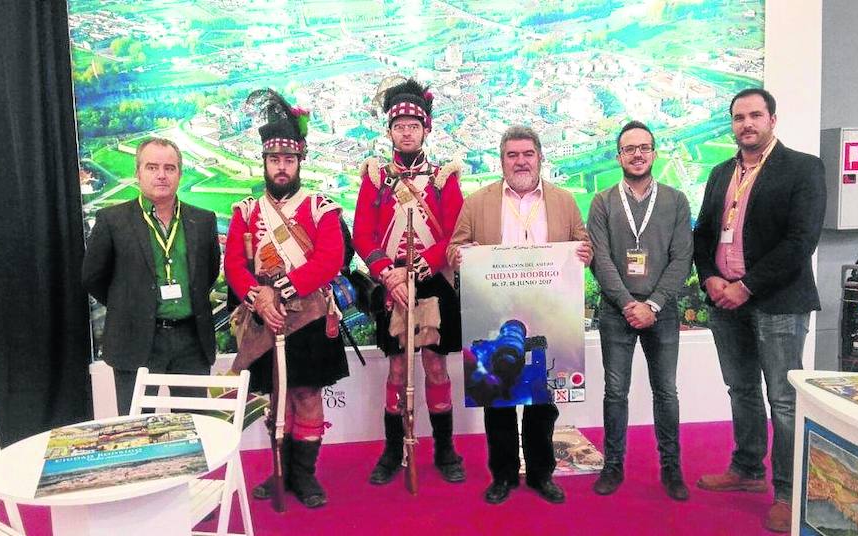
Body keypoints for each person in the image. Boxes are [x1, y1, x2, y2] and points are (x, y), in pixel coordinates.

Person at [693, 88, 826, 532]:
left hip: (777, 302)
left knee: (784, 401)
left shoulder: (803, 168)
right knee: (741, 389)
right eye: (738, 117)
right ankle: (747, 470)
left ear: (772, 118)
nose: (746, 124)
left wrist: (746, 287)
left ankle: (787, 492)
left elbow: (800, 242)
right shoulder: (718, 173)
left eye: (754, 115)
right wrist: (711, 277)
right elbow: (705, 233)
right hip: (724, 301)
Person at [448, 125, 593, 505]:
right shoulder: (478, 201)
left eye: (527, 154)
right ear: (502, 161)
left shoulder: (563, 200)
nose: (521, 161)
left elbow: (583, 243)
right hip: (494, 312)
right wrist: (464, 256)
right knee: (498, 399)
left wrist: (583, 255)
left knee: (543, 399)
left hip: (548, 310)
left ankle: (542, 474)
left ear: (540, 157)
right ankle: (503, 476)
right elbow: (454, 249)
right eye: (512, 155)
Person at [225, 89, 349, 508]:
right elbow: (234, 267)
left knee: (307, 395)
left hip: (309, 317)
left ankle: (303, 476)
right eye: (275, 160)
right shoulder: (245, 210)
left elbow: (331, 258)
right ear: (264, 162)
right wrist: (258, 298)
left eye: (289, 160)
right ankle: (278, 470)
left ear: (299, 162)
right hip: (265, 317)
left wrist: (284, 290)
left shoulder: (320, 208)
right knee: (276, 397)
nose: (282, 168)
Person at [352, 77, 466, 485]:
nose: (406, 132)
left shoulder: (443, 178)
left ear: (425, 130)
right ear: (389, 131)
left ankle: (445, 449)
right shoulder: (375, 178)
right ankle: (391, 449)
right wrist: (387, 273)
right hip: (391, 283)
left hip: (431, 282)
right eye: (399, 126)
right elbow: (362, 234)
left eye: (413, 126)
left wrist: (417, 271)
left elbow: (455, 232)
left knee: (436, 367)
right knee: (397, 370)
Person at [587, 120, 693, 501]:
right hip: (617, 311)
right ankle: (613, 466)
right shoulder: (602, 201)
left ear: (654, 153)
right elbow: (600, 260)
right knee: (615, 392)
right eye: (629, 148)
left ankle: (671, 468)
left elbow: (682, 259)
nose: (637, 154)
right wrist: (628, 304)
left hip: (660, 311)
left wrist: (653, 304)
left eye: (644, 147)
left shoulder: (675, 200)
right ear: (619, 156)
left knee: (666, 391)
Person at [82, 138, 220, 417]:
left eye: (170, 168)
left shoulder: (203, 220)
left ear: (180, 173)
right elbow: (93, 277)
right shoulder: (112, 220)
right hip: (135, 341)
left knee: (197, 427)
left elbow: (209, 272)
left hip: (191, 342)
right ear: (138, 172)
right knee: (138, 431)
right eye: (152, 167)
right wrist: (131, 303)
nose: (161, 175)